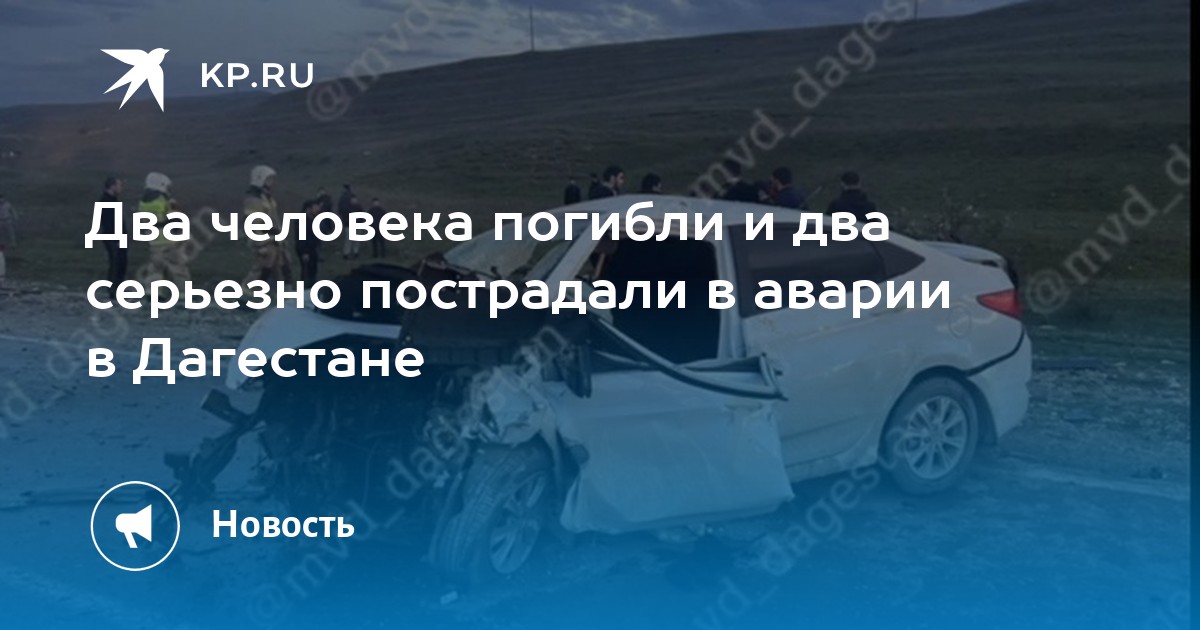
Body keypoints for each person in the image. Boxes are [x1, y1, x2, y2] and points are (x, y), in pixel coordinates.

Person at [242, 164, 292, 287]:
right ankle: (248, 291)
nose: (272, 182)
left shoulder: (268, 198)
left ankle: (282, 292)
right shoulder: (254, 200)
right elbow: (253, 223)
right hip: (264, 238)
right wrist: (260, 241)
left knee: (281, 265)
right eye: (269, 179)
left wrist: (280, 235)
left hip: (273, 238)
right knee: (263, 267)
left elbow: (274, 218)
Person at [140, 172, 191, 289]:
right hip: (169, 240)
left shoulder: (143, 202)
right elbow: (175, 220)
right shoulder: (165, 201)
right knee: (178, 268)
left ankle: (153, 292)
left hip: (154, 241)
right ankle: (183, 293)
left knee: (155, 269)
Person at [97, 177, 127, 299]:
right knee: (116, 263)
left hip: (117, 237)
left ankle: (117, 288)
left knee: (121, 263)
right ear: (112, 186)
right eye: (119, 185)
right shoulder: (106, 201)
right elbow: (109, 223)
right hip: (113, 237)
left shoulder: (112, 200)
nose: (121, 188)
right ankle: (113, 290)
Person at [295, 198, 322, 284]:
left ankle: (312, 285)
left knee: (313, 269)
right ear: (308, 209)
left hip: (313, 248)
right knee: (306, 271)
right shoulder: (302, 220)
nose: (317, 209)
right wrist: (304, 252)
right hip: (306, 249)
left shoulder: (313, 219)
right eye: (315, 207)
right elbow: (301, 238)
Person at [342, 194, 363, 259]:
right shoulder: (347, 207)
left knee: (356, 240)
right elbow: (344, 217)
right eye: (353, 199)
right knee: (348, 241)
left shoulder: (359, 207)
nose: (354, 200)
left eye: (354, 199)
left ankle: (355, 252)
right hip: (349, 225)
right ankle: (347, 253)